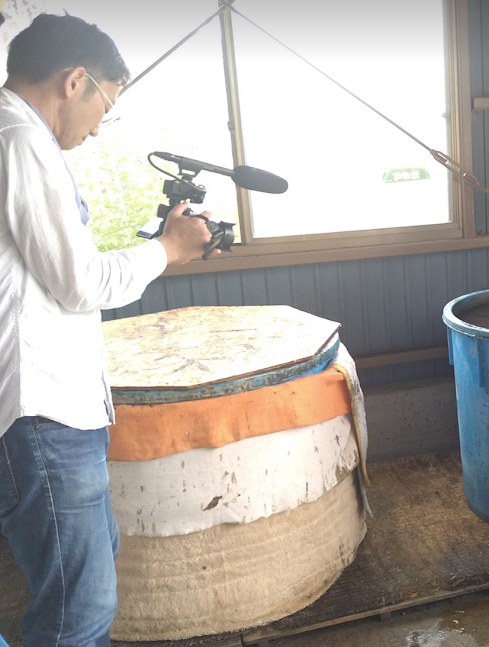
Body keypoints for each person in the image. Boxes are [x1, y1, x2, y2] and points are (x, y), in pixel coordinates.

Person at [0, 13, 217, 647]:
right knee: (80, 608)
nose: (98, 127)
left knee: (84, 577)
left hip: (51, 410)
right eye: (106, 106)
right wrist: (168, 249)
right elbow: (80, 282)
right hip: (41, 411)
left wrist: (160, 247)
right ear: (75, 81)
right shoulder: (19, 140)